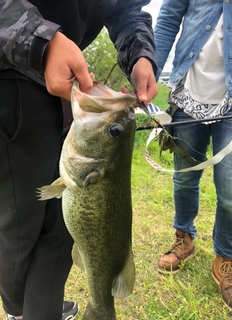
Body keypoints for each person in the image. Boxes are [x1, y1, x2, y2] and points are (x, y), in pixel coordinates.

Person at [0, 1, 158, 319]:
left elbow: (126, 9)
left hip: (66, 91)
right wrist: (42, 41)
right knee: (20, 224)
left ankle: (40, 306)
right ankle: (22, 309)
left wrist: (140, 52)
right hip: (13, 80)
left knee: (59, 231)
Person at [154, 0, 232, 315]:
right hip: (187, 93)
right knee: (185, 178)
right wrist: (149, 69)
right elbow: (167, 18)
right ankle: (184, 238)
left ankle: (225, 260)